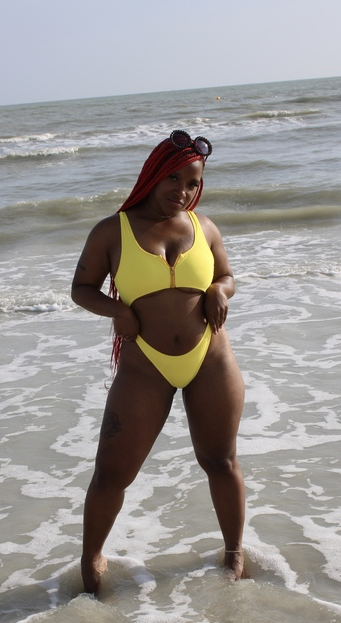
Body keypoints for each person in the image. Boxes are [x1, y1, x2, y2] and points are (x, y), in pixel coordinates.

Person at [71, 130, 247, 594]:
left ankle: (234, 553)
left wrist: (219, 290)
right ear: (153, 173)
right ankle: (91, 560)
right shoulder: (112, 231)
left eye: (192, 183)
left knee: (221, 461)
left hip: (210, 359)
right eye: (173, 178)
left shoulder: (204, 227)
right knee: (112, 473)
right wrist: (117, 310)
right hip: (144, 367)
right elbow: (82, 289)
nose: (182, 191)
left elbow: (227, 275)